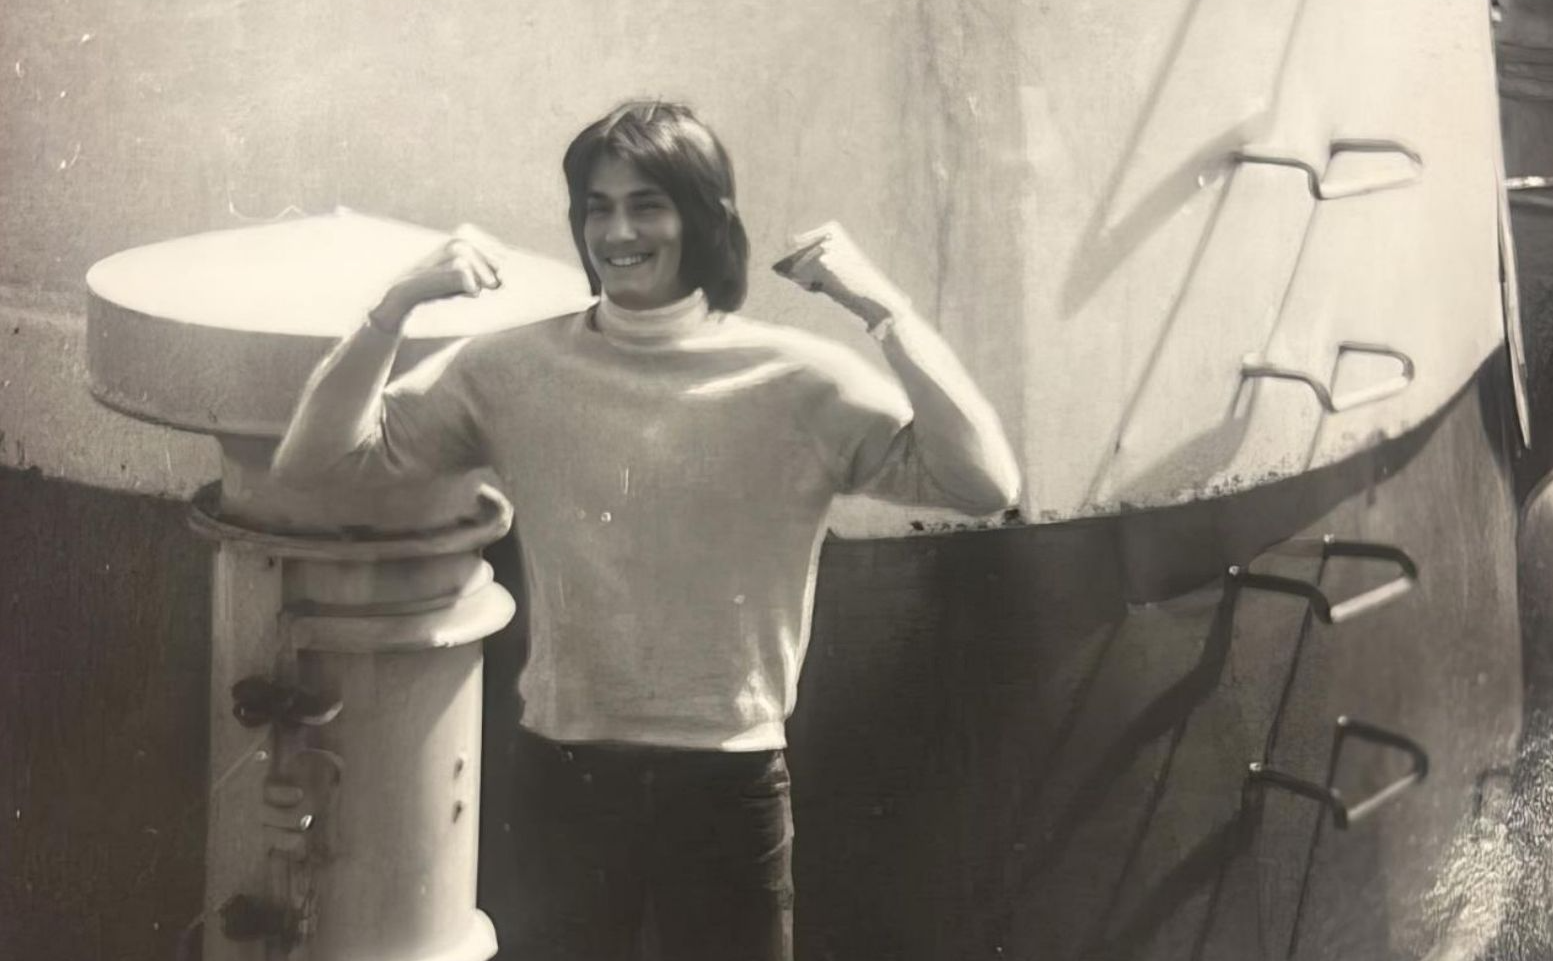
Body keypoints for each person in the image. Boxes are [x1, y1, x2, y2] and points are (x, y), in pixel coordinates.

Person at [272, 100, 1021, 961]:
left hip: (730, 778)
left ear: (701, 218)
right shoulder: (511, 367)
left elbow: (984, 483)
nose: (617, 232)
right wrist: (393, 307)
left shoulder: (799, 379)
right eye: (598, 206)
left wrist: (884, 308)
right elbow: (315, 464)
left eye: (646, 205)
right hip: (565, 773)